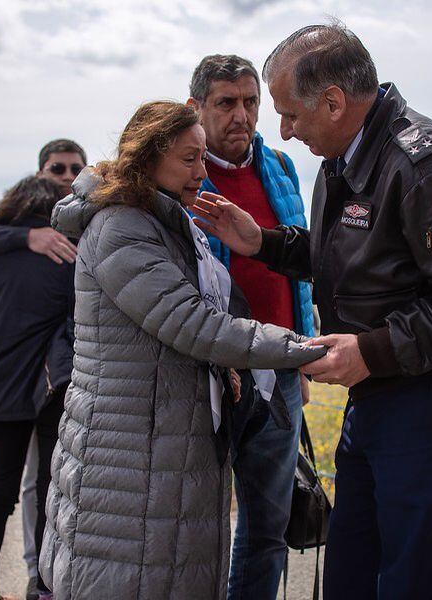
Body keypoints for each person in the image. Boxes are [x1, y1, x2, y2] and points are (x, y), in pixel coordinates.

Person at [194, 23, 432, 600]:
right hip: (379, 391)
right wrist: (264, 243)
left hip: (431, 395)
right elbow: (345, 258)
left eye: (289, 114)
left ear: (335, 102)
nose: (285, 133)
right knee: (352, 570)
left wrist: (370, 350)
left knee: (413, 576)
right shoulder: (346, 160)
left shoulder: (425, 164)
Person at [39, 101, 325, 599]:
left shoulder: (164, 221)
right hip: (129, 452)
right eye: (189, 160)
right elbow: (195, 325)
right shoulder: (122, 227)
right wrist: (305, 349)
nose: (202, 171)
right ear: (149, 159)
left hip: (162, 440)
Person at [186, 54, 314, 599]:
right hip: (204, 375)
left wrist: (302, 355)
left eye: (251, 102)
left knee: (267, 527)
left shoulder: (281, 167)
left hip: (280, 371)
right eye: (226, 103)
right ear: (196, 108)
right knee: (193, 526)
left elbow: (302, 271)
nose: (242, 115)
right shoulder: (178, 172)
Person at [0, 137, 85, 600]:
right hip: (51, 382)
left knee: (0, 491)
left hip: (3, 381)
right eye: (57, 169)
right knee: (49, 490)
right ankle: (44, 588)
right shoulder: (68, 246)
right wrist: (30, 237)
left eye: (73, 169)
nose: (65, 178)